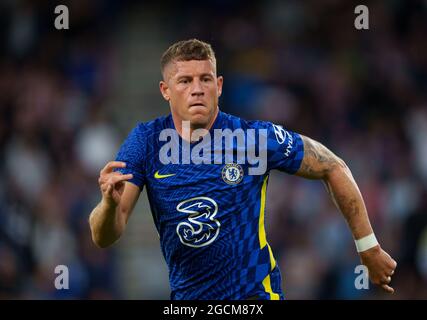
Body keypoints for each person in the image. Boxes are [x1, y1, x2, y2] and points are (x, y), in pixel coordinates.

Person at [88, 39, 397, 300]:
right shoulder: (145, 142)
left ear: (218, 85)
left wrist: (368, 247)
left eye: (205, 79)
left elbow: (333, 166)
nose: (197, 89)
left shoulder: (251, 139)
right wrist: (109, 204)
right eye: (185, 81)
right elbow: (104, 235)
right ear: (165, 90)